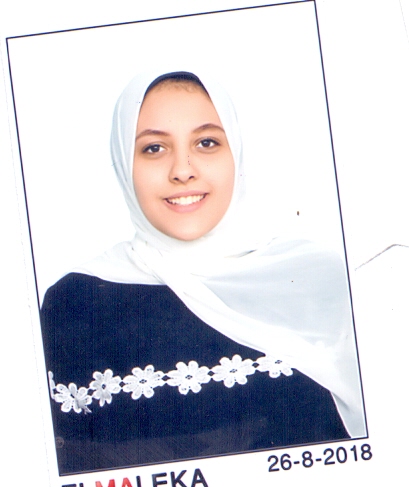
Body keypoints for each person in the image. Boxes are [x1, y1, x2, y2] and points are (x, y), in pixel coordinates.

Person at [41, 69, 366, 474]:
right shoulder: (77, 303)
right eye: (154, 148)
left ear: (236, 152)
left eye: (206, 142)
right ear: (123, 161)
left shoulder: (321, 279)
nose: (183, 170)